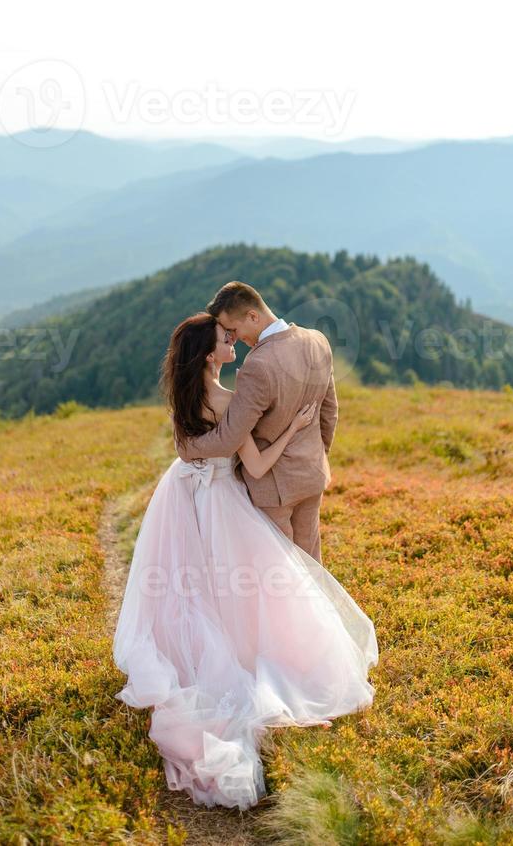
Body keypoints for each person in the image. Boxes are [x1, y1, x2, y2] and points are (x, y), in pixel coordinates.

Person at [113, 308, 378, 811]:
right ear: (210, 353)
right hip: (221, 501)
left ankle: (191, 656)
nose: (232, 341)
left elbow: (189, 450)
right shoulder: (229, 400)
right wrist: (290, 429)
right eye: (225, 338)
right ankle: (252, 667)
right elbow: (254, 463)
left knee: (190, 585)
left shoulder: (185, 397)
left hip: (182, 495)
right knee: (247, 587)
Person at [176, 282, 338, 564]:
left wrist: (188, 447)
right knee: (311, 564)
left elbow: (229, 438)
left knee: (281, 572)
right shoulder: (317, 340)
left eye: (234, 331)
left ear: (253, 316)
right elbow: (329, 411)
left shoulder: (257, 364)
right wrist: (317, 454)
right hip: (312, 474)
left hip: (273, 487)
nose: (234, 339)